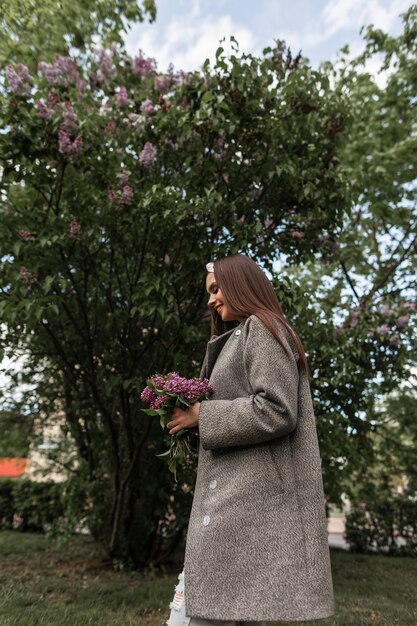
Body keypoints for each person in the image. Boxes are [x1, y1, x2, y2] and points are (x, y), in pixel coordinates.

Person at [166, 254, 335, 626]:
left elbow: (277, 408)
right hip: (238, 504)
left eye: (215, 289)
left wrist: (202, 415)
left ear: (240, 283)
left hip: (245, 504)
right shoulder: (236, 338)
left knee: (199, 610)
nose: (210, 300)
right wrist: (192, 425)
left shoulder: (261, 327)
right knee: (229, 607)